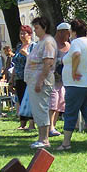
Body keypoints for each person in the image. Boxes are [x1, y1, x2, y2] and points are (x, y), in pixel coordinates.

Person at [57, 19, 87, 151]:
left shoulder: (76, 42)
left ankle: (66, 143)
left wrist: (74, 71)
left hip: (76, 85)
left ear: (74, 31)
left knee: (71, 113)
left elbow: (76, 54)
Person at [26, 16, 57, 149]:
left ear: (44, 27)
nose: (34, 31)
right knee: (38, 110)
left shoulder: (48, 42)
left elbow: (48, 63)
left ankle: (44, 139)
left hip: (41, 81)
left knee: (41, 109)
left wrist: (40, 81)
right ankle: (41, 138)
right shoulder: (41, 42)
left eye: (37, 28)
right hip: (34, 81)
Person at [49, 23, 71, 137]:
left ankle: (53, 125)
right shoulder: (52, 44)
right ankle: (49, 127)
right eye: (67, 33)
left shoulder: (69, 45)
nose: (69, 36)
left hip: (64, 79)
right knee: (52, 102)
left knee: (60, 103)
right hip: (52, 78)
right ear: (61, 32)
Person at [12, 25, 36, 131]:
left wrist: (26, 54)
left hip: (30, 77)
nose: (22, 36)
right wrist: (12, 78)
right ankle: (22, 124)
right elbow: (15, 64)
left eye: (24, 33)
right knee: (21, 100)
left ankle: (31, 124)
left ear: (29, 35)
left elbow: (35, 61)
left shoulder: (33, 46)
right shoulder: (19, 46)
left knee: (30, 101)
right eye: (20, 33)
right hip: (19, 77)